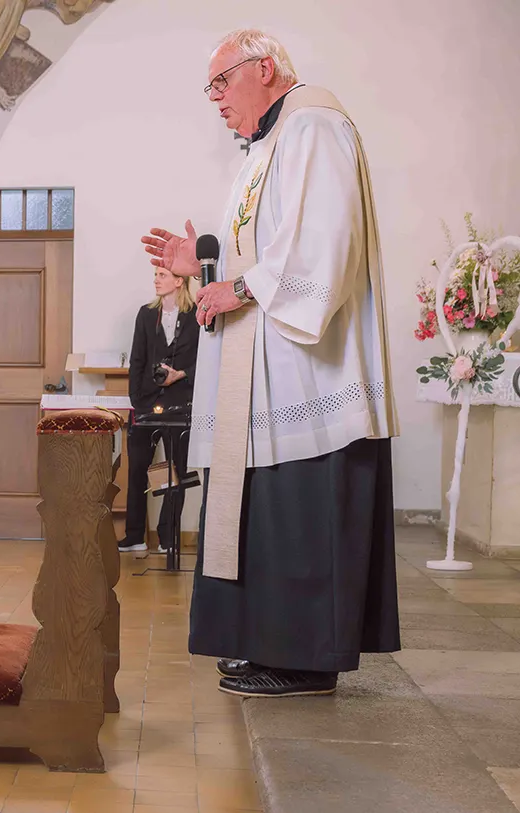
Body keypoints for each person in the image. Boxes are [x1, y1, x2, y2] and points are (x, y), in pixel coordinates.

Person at [141, 29, 399, 698]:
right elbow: (260, 256)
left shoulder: (313, 123)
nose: (216, 100)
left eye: (222, 82)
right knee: (267, 512)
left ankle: (307, 657)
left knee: (300, 512)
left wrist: (242, 285)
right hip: (264, 375)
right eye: (211, 89)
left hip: (309, 373)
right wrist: (199, 270)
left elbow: (321, 245)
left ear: (265, 67)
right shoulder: (268, 147)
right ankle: (271, 644)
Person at [118, 267, 198, 556]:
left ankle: (169, 537)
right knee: (138, 469)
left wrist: (182, 375)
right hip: (145, 404)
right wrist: (136, 402)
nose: (155, 279)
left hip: (182, 404)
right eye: (154, 274)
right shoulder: (145, 314)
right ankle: (134, 535)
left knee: (175, 471)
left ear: (179, 281)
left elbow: (205, 359)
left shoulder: (197, 315)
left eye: (162, 274)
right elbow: (137, 359)